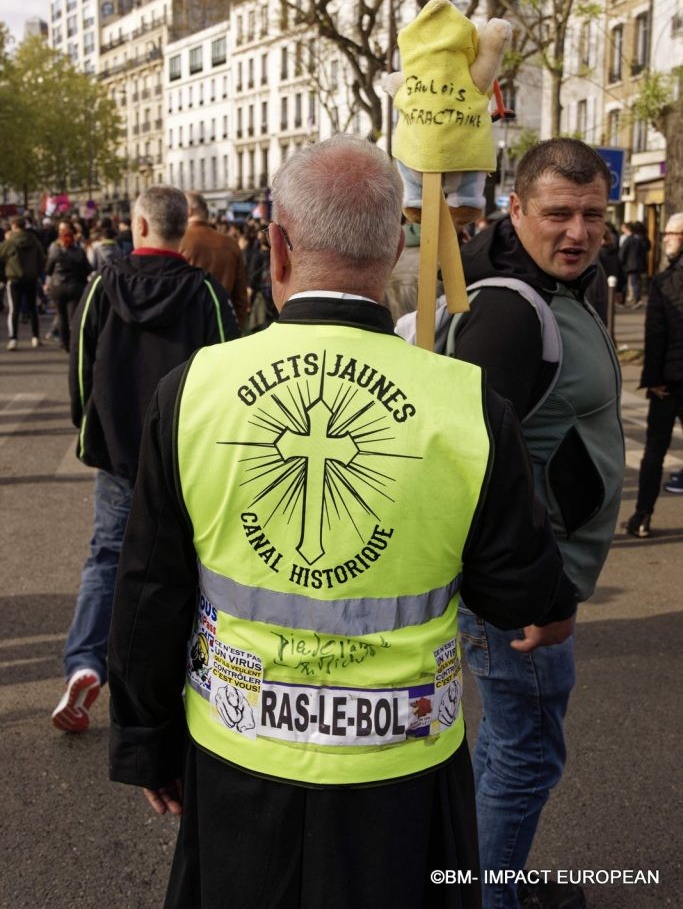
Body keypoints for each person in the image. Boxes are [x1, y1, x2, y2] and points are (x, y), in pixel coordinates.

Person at [108, 136, 568, 909]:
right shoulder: (464, 400)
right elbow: (518, 588)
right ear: (394, 246)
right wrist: (549, 606)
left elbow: (149, 585)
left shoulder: (195, 390)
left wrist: (147, 741)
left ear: (278, 247)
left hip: (238, 751)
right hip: (401, 769)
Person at [451, 138, 624, 909]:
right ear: (513, 208)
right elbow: (473, 472)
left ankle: (489, 883)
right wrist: (542, 595)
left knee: (505, 746)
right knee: (525, 754)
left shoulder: (565, 285)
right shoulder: (509, 313)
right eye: (557, 213)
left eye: (593, 215)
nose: (577, 233)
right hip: (524, 590)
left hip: (533, 581)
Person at [52, 186, 238, 734]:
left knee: (107, 557)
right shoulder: (204, 294)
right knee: (189, 568)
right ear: (182, 229)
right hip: (185, 453)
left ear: (137, 226)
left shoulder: (100, 287)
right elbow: (228, 374)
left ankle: (86, 663)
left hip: (119, 451)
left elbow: (81, 368)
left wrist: (90, 425)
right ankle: (183, 678)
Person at [625, 213, 683, 536]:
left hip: (668, 384)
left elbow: (655, 335)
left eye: (669, 235)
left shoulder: (665, 282)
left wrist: (653, 378)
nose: (665, 240)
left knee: (655, 451)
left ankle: (642, 516)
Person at [180, 191, 248, 329]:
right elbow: (241, 295)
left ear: (188, 211)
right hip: (224, 326)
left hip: (189, 329)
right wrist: (238, 326)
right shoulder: (230, 243)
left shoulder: (178, 242)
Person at [44, 222, 91, 352]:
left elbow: (47, 269)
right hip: (75, 287)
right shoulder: (79, 252)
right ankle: (75, 342)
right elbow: (88, 269)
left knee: (61, 316)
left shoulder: (55, 252)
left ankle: (65, 344)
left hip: (58, 287)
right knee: (74, 317)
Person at [0, 215, 45, 350]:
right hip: (31, 278)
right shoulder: (34, 240)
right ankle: (35, 337)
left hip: (14, 278)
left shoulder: (10, 242)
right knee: (33, 308)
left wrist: (3, 276)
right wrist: (37, 273)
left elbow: (1, 258)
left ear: (14, 226)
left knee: (14, 309)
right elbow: (41, 258)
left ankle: (13, 338)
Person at [619, 220, 647, 306]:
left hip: (628, 265)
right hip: (637, 264)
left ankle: (630, 301)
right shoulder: (637, 239)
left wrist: (620, 262)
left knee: (628, 283)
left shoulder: (627, 240)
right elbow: (643, 252)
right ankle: (637, 299)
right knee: (636, 282)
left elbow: (622, 253)